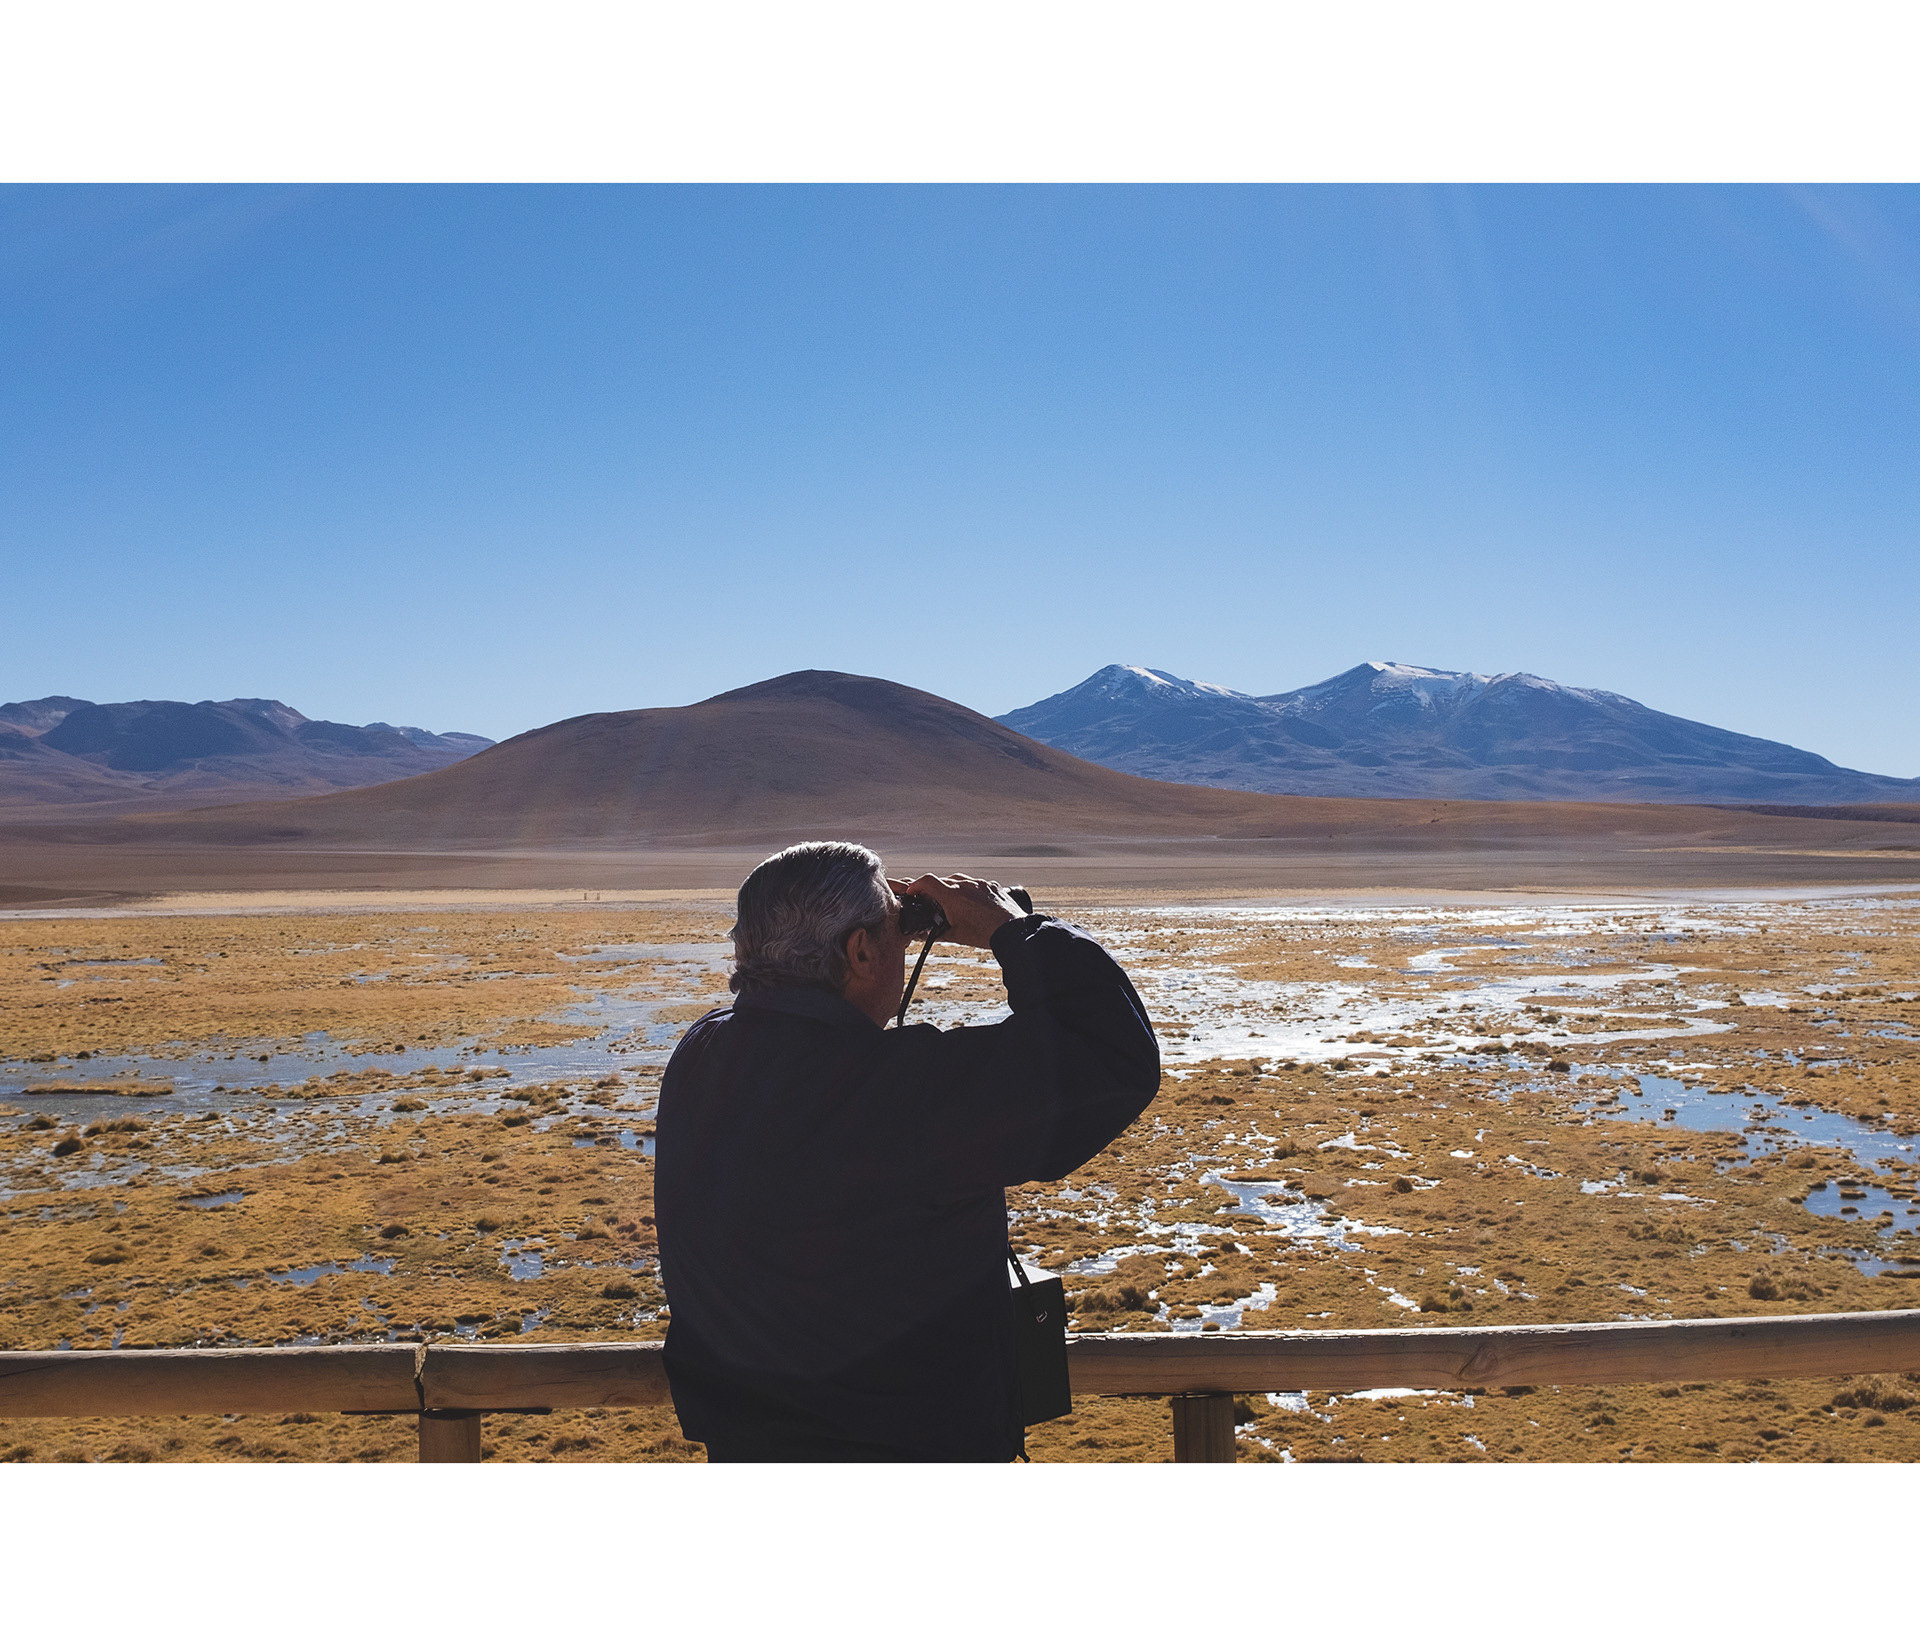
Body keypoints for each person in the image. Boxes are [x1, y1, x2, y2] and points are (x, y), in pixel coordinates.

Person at [654, 839, 1159, 1462]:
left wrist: (889, 922)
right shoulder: (903, 1094)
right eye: (894, 931)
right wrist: (1013, 930)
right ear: (861, 952)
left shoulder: (700, 1059)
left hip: (747, 1451)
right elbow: (1111, 1055)